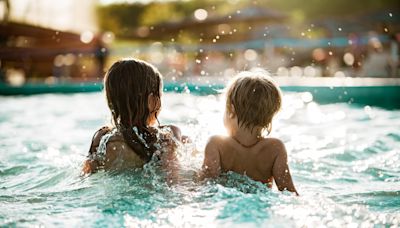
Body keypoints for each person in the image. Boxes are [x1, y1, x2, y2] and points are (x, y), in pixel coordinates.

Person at [201, 71, 298, 195]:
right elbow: (289, 192)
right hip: (260, 207)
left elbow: (205, 187)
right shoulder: (275, 148)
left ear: (231, 109)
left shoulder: (216, 144)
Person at [82, 59, 182, 176]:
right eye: (159, 95)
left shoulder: (102, 138)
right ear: (152, 100)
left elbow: (86, 175)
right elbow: (173, 180)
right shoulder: (166, 135)